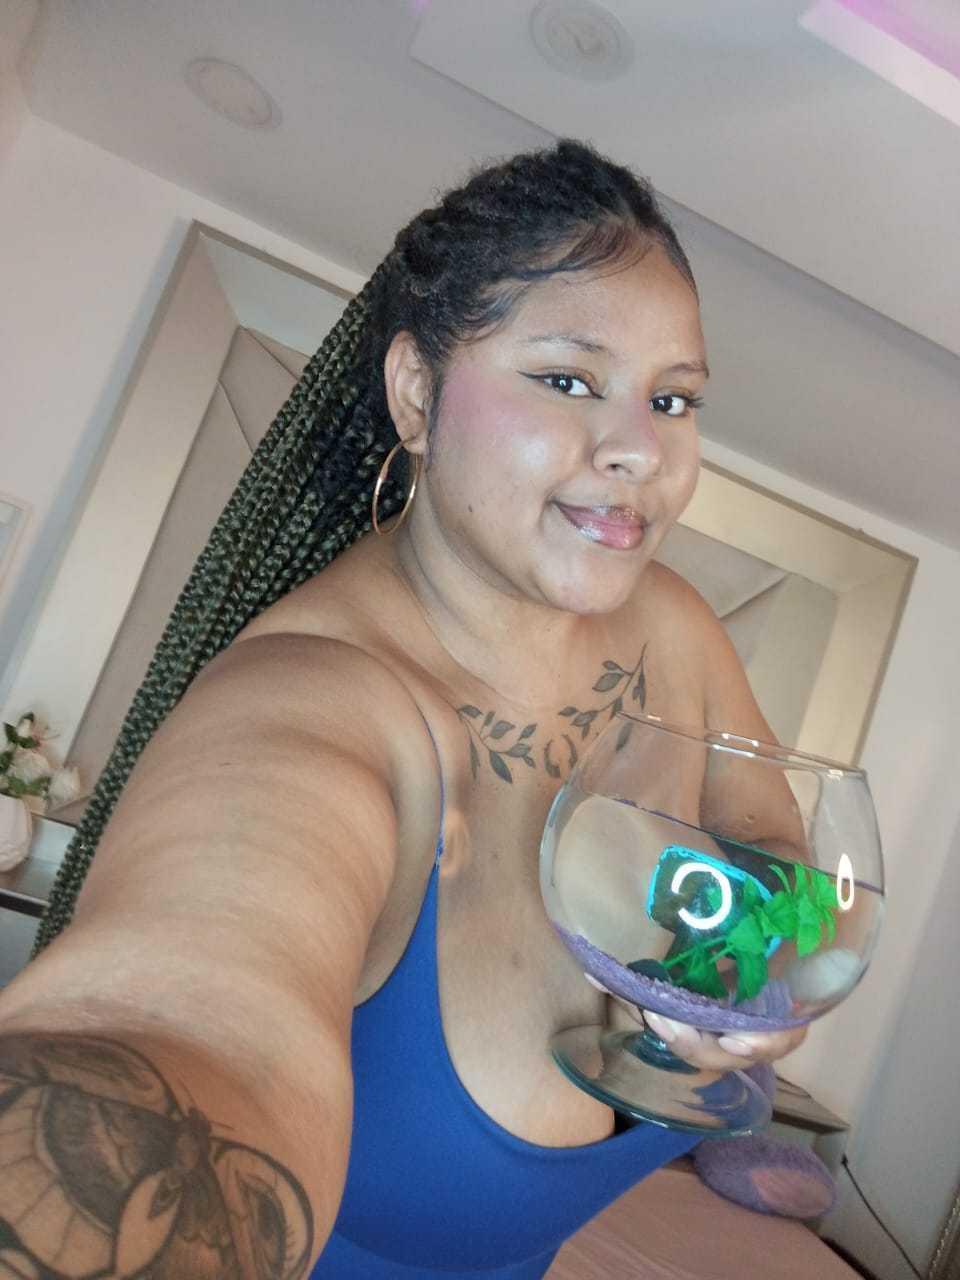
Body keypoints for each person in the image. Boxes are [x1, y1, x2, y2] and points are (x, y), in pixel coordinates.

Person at [0, 139, 805, 1278]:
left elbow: (774, 845)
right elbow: (185, 1019)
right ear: (417, 394)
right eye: (568, 379)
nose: (641, 450)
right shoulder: (307, 704)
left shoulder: (676, 629)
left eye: (672, 399)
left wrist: (751, 963)